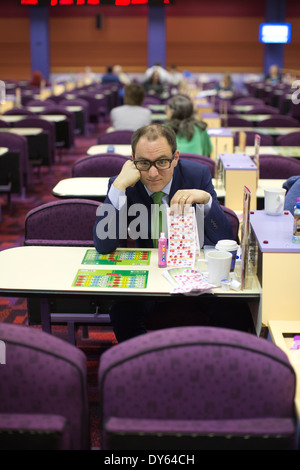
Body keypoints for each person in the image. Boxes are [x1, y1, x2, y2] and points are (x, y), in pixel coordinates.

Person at [92, 125, 253, 342]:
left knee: (237, 312)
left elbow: (225, 237)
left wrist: (206, 200)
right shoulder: (123, 183)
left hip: (195, 272)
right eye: (143, 163)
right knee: (122, 310)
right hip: (148, 274)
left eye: (162, 162)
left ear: (175, 157)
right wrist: (119, 186)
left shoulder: (197, 175)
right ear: (132, 161)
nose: (152, 173)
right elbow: (103, 245)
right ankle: (139, 366)